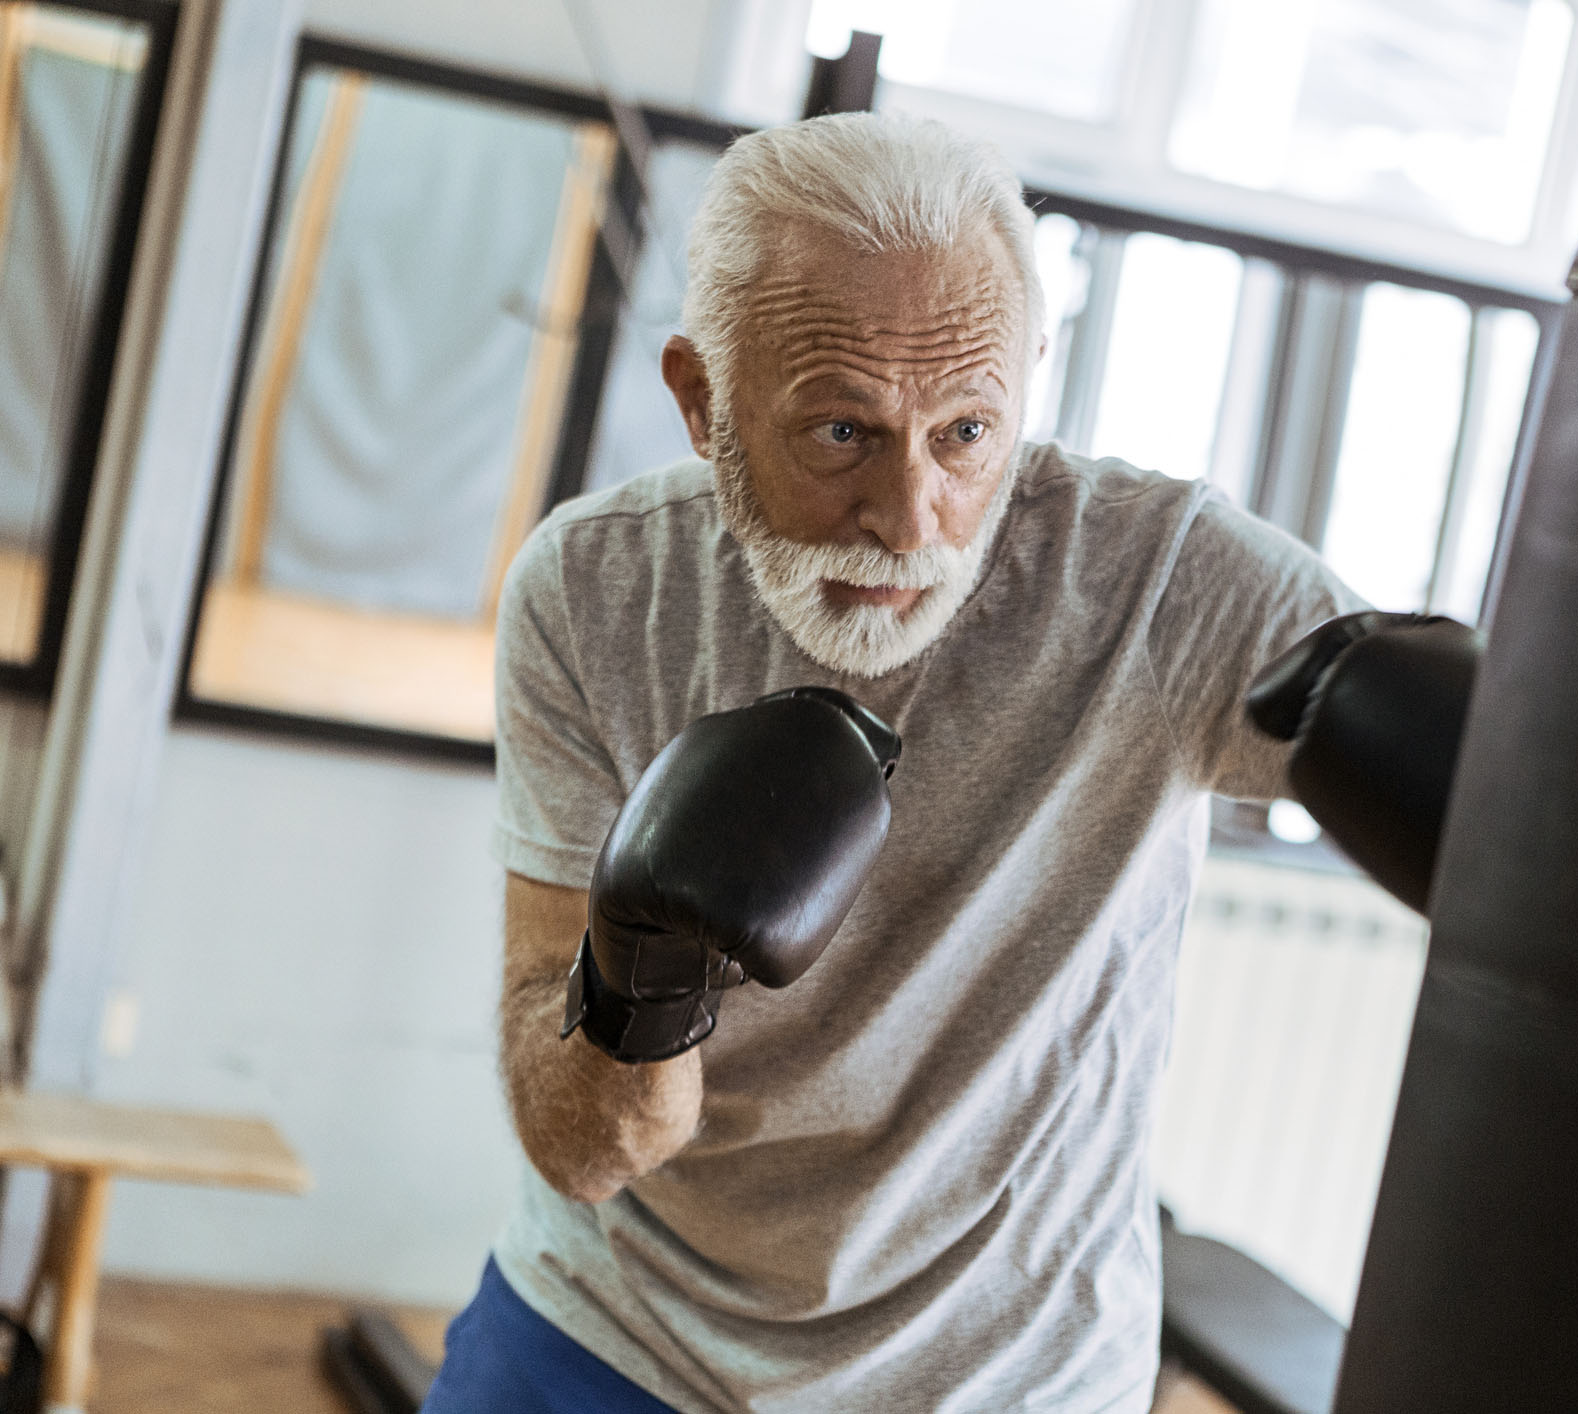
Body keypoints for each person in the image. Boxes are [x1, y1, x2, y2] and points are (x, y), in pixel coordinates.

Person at [422, 111, 1360, 1413]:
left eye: (967, 431)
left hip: (1004, 1379)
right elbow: (584, 1149)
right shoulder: (595, 593)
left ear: (1030, 378)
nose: (910, 518)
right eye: (841, 433)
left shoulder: (1164, 585)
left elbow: (1518, 806)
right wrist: (646, 970)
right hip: (624, 1334)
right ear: (700, 400)